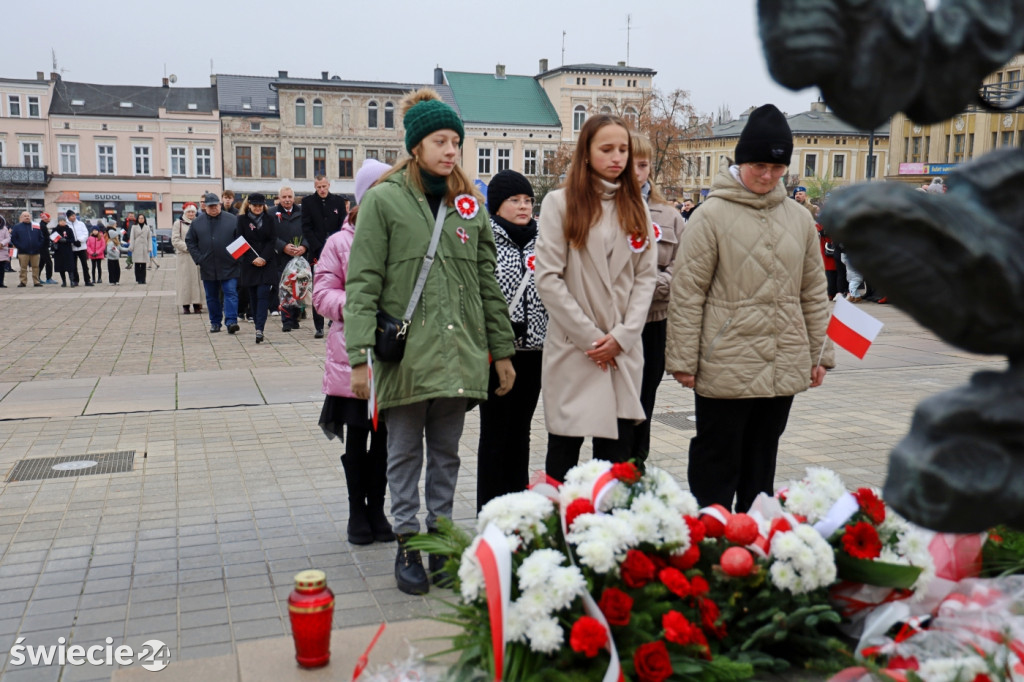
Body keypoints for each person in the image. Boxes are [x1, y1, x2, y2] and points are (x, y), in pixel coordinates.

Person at [344, 88, 515, 595]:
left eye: (456, 142)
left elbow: (488, 282)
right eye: (440, 140)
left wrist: (501, 353)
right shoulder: (384, 200)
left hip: (460, 355)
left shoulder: (470, 206)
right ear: (416, 145)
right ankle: (407, 544)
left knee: (446, 454)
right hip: (408, 357)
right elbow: (363, 282)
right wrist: (358, 358)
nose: (450, 151)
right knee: (402, 454)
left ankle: (441, 542)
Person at [665, 103, 835, 513]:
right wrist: (683, 359)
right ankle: (712, 535)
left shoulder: (798, 217)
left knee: (763, 459)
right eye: (759, 165)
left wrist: (820, 353)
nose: (767, 175)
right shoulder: (709, 216)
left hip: (783, 358)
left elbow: (814, 290)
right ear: (741, 162)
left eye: (777, 168)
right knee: (717, 457)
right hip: (726, 359)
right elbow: (688, 293)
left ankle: (756, 543)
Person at [534, 114, 657, 483]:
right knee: (563, 461)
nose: (617, 157)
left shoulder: (637, 207)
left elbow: (645, 277)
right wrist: (592, 339)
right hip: (576, 349)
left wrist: (622, 337)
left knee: (615, 466)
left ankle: (609, 537)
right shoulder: (560, 203)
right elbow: (549, 278)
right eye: (607, 149)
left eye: (623, 149)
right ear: (586, 153)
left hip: (621, 351)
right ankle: (560, 536)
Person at [314, 159, 394, 545]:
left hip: (393, 357)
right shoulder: (339, 242)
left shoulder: (398, 236)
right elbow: (322, 295)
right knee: (357, 438)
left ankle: (378, 508)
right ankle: (355, 511)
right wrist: (360, 304)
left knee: (385, 441)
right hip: (353, 359)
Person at [476, 169, 548, 512]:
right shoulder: (484, 239)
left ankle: (518, 508)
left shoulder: (545, 239)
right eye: (515, 200)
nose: (524, 207)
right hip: (496, 353)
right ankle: (490, 510)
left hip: (535, 350)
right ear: (497, 205)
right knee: (494, 434)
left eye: (528, 200)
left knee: (521, 432)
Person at [630, 132, 684, 468]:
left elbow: (684, 265)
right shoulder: (599, 208)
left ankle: (636, 468)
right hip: (612, 325)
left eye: (643, 164)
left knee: (644, 403)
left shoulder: (669, 215)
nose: (636, 172)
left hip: (653, 323)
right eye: (630, 164)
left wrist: (650, 286)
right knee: (611, 410)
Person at [185, 192, 240, 334]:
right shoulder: (197, 223)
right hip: (208, 266)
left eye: (216, 205)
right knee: (211, 296)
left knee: (230, 293)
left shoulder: (232, 219)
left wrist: (237, 258)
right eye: (210, 206)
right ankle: (215, 322)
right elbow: (190, 241)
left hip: (229, 265)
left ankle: (231, 321)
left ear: (220, 205)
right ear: (204, 207)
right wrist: (199, 258)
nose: (213, 208)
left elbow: (241, 240)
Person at [302, 176, 347, 338]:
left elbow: (343, 225)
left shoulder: (338, 201)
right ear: (315, 186)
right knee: (319, 288)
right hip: (317, 251)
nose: (322, 189)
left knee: (338, 287)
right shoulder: (307, 202)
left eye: (324, 186)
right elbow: (306, 227)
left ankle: (335, 319)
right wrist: (319, 247)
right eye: (319, 186)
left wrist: (335, 245)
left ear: (329, 185)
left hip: (336, 251)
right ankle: (318, 325)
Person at [235, 193, 277, 344]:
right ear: (249, 205)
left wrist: (263, 258)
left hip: (266, 263)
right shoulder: (241, 220)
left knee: (263, 295)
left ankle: (260, 328)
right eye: (255, 205)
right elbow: (239, 240)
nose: (257, 208)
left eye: (260, 205)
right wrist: (253, 259)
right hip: (250, 264)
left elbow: (272, 240)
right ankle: (256, 325)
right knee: (253, 296)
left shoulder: (270, 219)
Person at [272, 187, 306, 331]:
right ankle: (286, 320)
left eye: (289, 197)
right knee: (285, 289)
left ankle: (296, 316)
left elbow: (309, 231)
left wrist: (304, 246)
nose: (287, 200)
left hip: (300, 258)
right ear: (279, 198)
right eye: (284, 197)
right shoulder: (271, 213)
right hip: (281, 258)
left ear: (294, 197)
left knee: (298, 288)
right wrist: (283, 246)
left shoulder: (303, 212)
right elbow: (270, 235)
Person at [172, 205, 203, 313]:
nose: (191, 214)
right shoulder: (178, 224)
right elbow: (175, 240)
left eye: (193, 212)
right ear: (185, 212)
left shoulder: (199, 223)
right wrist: (189, 247)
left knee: (197, 281)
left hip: (196, 256)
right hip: (184, 256)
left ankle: (197, 303)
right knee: (185, 281)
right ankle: (185, 304)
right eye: (189, 212)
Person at [11, 211, 44, 287]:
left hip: (35, 251)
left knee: (36, 267)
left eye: (28, 216)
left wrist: (38, 245)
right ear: (21, 217)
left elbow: (41, 237)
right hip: (23, 251)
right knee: (23, 267)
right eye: (25, 216)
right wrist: (20, 246)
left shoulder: (36, 226)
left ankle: (36, 281)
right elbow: (13, 239)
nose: (27, 217)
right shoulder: (17, 227)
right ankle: (23, 281)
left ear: (31, 217)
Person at [67, 210, 93, 286]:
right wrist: (73, 241)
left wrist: (80, 240)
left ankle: (87, 280)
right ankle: (75, 280)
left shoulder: (81, 224)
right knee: (74, 265)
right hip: (72, 248)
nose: (74, 217)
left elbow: (86, 233)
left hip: (82, 247)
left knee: (85, 264)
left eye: (74, 215)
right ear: (68, 217)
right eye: (72, 216)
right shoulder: (67, 225)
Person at [51, 216, 76, 286]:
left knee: (69, 267)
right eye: (61, 220)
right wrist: (56, 241)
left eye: (64, 220)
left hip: (67, 250)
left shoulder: (69, 229)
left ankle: (72, 281)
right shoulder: (55, 230)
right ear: (58, 222)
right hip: (59, 251)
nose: (62, 222)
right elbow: (52, 238)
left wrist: (66, 240)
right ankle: (64, 281)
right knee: (61, 267)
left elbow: (72, 239)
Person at [130, 214, 152, 284]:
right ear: (137, 219)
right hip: (136, 246)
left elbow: (149, 238)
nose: (141, 219)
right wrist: (131, 246)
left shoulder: (147, 227)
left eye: (142, 218)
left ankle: (143, 279)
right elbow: (132, 237)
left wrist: (149, 247)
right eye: (139, 218)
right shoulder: (134, 227)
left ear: (144, 219)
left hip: (144, 247)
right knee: (137, 264)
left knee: (143, 264)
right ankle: (138, 279)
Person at [37, 212, 55, 283]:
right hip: (43, 247)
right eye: (48, 218)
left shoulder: (43, 225)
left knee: (41, 262)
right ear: (45, 218)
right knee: (49, 262)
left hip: (43, 247)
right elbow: (44, 237)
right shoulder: (42, 226)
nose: (50, 219)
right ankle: (49, 278)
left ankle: (37, 277)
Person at [0, 216, 9, 287]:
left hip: (2, 250)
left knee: (1, 268)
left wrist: (2, 243)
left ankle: (1, 282)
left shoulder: (4, 228)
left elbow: (8, 238)